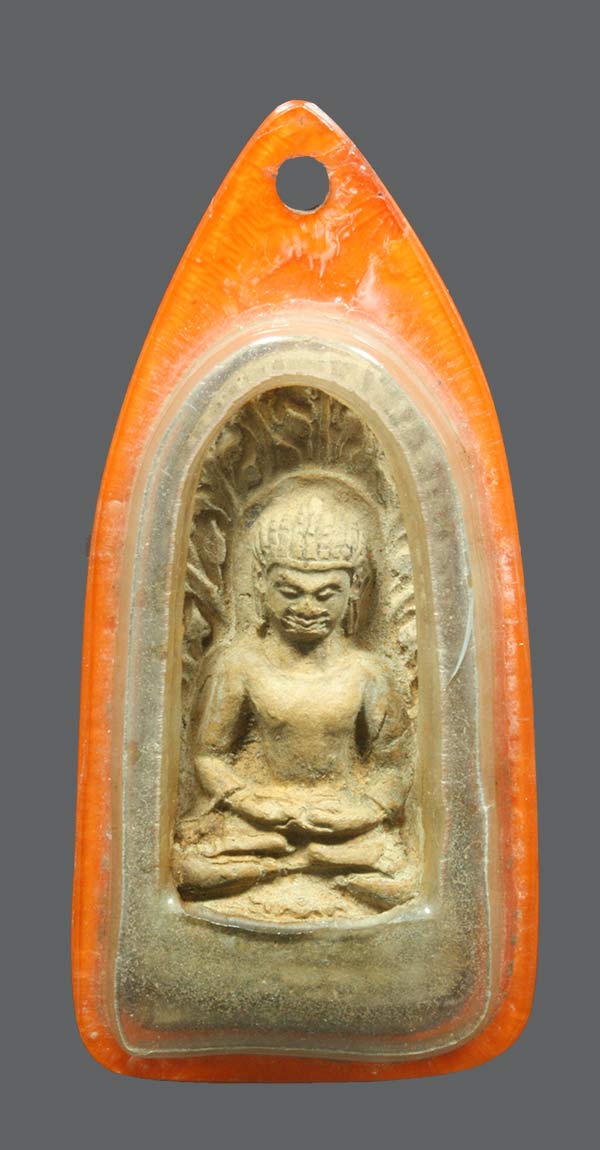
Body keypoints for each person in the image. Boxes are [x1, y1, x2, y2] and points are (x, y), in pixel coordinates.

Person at [172, 482, 415, 917]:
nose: (307, 607)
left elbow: (393, 766)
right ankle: (306, 867)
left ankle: (297, 866)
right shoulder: (239, 665)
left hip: (340, 817)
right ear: (261, 585)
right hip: (261, 819)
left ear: (354, 589)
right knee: (188, 869)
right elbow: (209, 756)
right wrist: (248, 800)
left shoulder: (368, 672)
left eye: (326, 594)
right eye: (290, 591)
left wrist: (366, 810)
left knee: (405, 876)